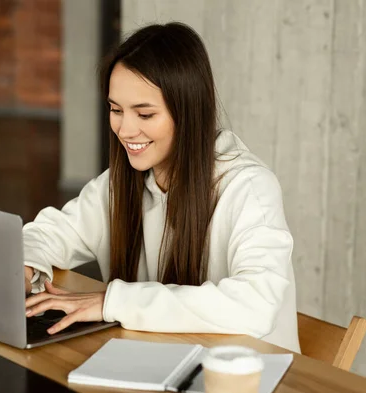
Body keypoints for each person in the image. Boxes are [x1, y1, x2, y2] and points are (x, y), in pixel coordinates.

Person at [22, 22, 300, 353]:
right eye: (116, 110)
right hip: (156, 361)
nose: (125, 129)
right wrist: (24, 265)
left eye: (145, 114)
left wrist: (113, 302)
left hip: (245, 377)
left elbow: (256, 304)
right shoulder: (122, 181)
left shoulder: (249, 187)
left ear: (187, 112)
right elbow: (50, 232)